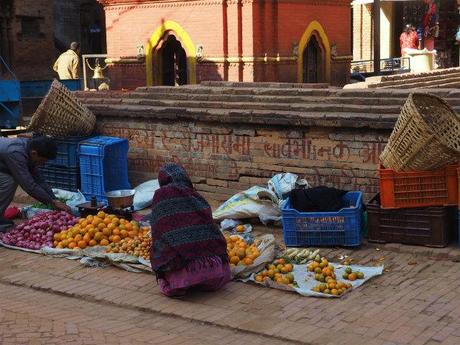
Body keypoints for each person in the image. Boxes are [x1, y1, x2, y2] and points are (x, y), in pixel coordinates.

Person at [147, 163, 231, 297]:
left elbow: (157, 232)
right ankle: (204, 278)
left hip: (184, 276)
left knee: (161, 244)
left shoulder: (161, 197)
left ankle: (181, 281)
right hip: (215, 272)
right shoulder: (195, 196)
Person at [0, 136, 71, 228]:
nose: (43, 164)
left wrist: (54, 199)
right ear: (34, 153)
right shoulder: (16, 153)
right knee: (9, 182)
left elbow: (39, 179)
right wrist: (51, 202)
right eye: (42, 161)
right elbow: (29, 185)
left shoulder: (29, 149)